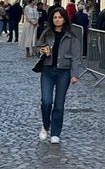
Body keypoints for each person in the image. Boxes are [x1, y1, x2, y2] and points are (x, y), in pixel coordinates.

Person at [35, 8, 84, 144]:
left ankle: (56, 132)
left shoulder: (71, 36)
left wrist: (74, 75)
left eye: (60, 17)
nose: (57, 19)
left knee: (59, 104)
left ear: (64, 19)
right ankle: (45, 125)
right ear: (52, 19)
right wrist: (41, 50)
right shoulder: (47, 33)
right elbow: (36, 48)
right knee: (46, 101)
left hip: (63, 72)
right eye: (55, 17)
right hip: (48, 70)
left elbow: (75, 57)